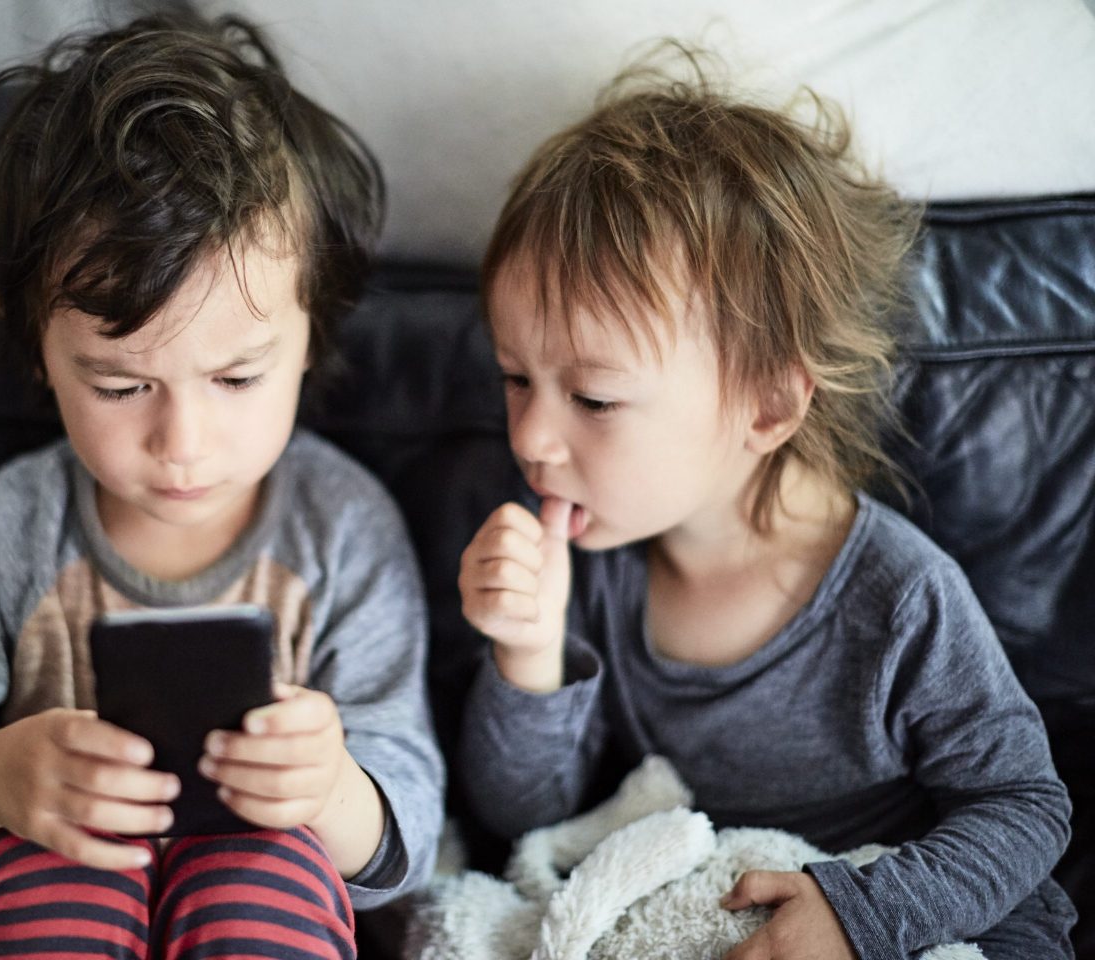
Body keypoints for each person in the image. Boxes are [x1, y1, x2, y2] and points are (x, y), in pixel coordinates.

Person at [0, 12, 443, 960]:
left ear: (314, 332)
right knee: (54, 874)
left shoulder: (343, 528)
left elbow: (412, 831)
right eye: (119, 386)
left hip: (259, 909)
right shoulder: (10, 532)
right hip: (41, 905)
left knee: (266, 867)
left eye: (237, 379)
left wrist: (329, 789)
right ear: (40, 353)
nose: (181, 446)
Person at [456, 48, 1077, 960]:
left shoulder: (897, 598)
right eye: (515, 378)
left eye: (592, 398)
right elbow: (528, 820)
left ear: (768, 406)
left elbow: (1027, 808)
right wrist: (527, 657)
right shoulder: (593, 569)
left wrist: (861, 914)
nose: (532, 438)